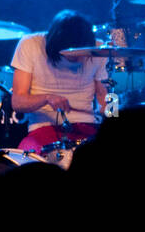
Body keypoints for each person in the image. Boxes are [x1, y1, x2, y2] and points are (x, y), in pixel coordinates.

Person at [10, 9, 108, 152]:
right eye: (73, 54)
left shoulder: (100, 50)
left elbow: (105, 95)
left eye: (83, 52)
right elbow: (17, 102)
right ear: (57, 45)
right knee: (28, 156)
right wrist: (47, 98)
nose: (80, 58)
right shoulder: (30, 45)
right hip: (42, 128)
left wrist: (114, 116)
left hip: (86, 126)